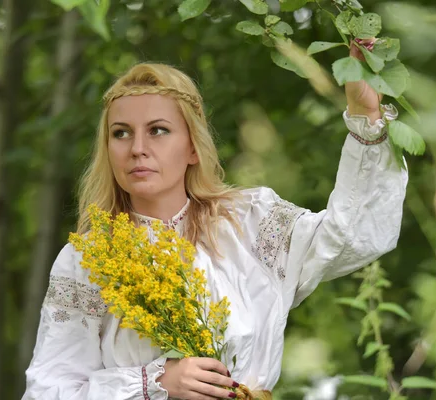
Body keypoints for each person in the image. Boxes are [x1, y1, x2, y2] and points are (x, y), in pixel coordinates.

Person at [22, 40, 408, 400]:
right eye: (121, 133)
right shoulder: (90, 258)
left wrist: (366, 116)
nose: (138, 149)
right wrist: (155, 382)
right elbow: (50, 388)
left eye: (158, 130)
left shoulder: (247, 222)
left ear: (192, 146)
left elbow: (354, 235)